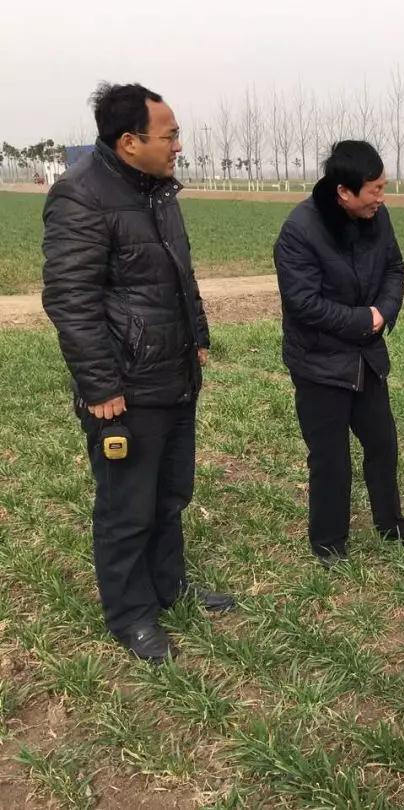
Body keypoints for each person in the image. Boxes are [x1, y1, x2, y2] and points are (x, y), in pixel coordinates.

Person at [41, 82, 234, 664]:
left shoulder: (158, 193)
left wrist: (198, 337)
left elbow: (179, 275)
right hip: (125, 387)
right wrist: (100, 385)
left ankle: (169, 586)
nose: (178, 145)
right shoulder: (81, 196)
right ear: (130, 142)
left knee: (170, 494)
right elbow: (70, 299)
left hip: (174, 373)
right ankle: (131, 615)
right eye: (169, 135)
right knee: (127, 507)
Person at [274, 140, 404, 566]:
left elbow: (395, 268)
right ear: (344, 191)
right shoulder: (300, 231)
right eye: (374, 190)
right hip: (319, 362)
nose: (381, 198)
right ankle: (329, 542)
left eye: (383, 187)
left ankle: (391, 523)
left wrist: (384, 312)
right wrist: (365, 320)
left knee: (383, 443)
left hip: (366, 357)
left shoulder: (377, 218)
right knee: (330, 458)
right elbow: (303, 303)